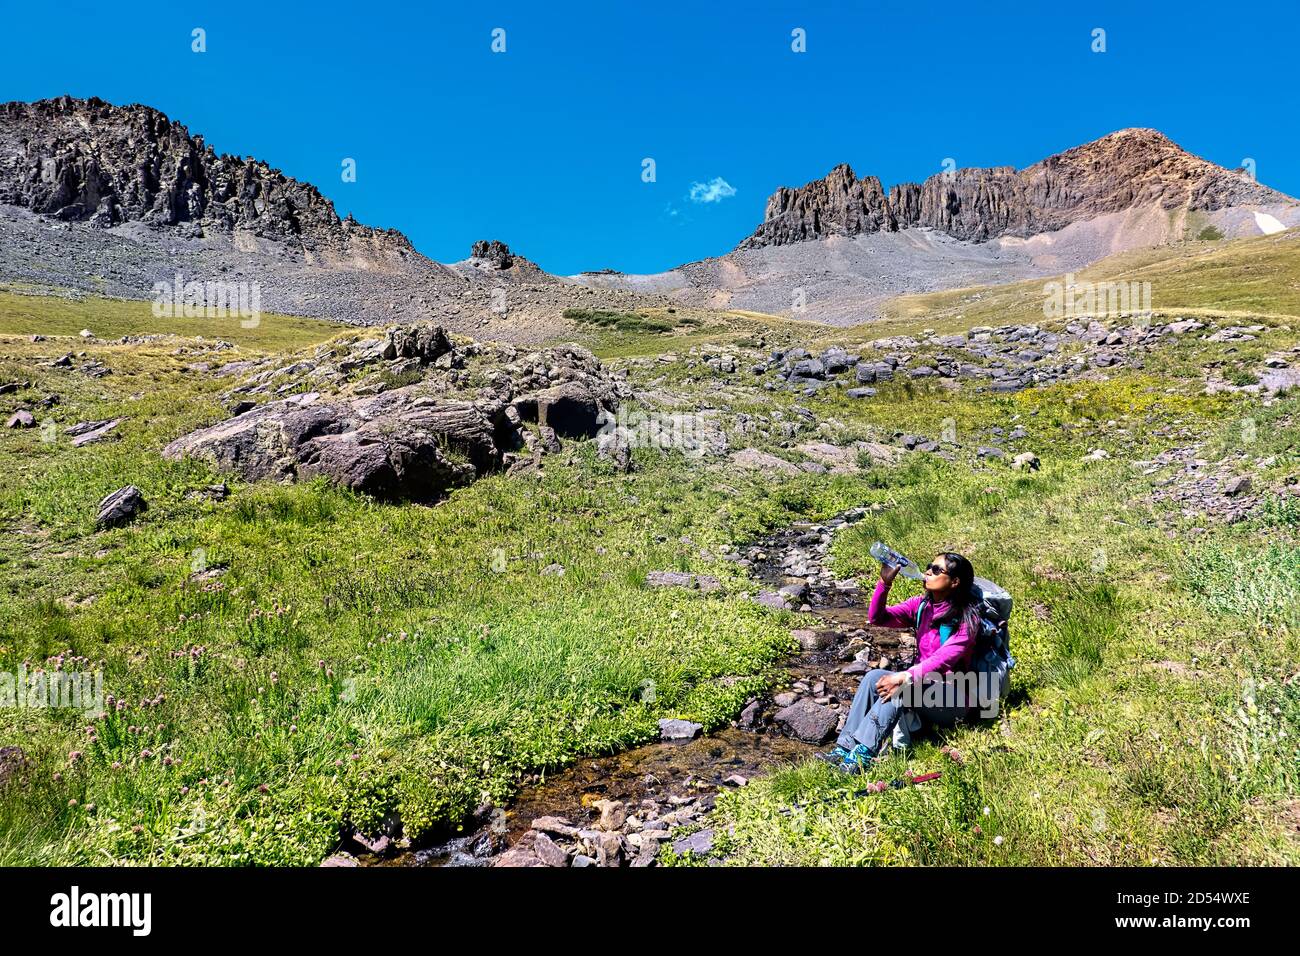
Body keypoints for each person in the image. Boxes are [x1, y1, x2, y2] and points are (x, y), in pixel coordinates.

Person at [817, 551, 982, 773]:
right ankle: (844, 748)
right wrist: (884, 583)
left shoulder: (965, 619)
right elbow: (878, 618)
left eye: (935, 570)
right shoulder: (922, 606)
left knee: (903, 689)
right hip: (924, 688)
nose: (927, 572)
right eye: (928, 566)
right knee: (873, 677)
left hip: (955, 697)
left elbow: (943, 660)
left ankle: (863, 755)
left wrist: (906, 676)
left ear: (954, 582)